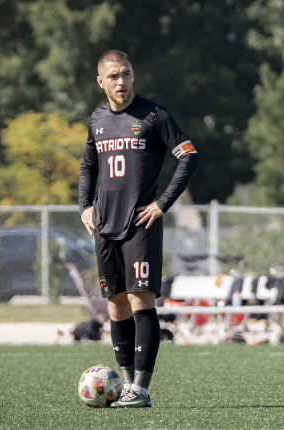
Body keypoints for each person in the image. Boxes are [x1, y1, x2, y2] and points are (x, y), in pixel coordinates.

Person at [78, 50, 200, 408]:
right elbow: (89, 164)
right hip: (104, 226)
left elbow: (189, 154)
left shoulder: (154, 115)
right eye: (114, 76)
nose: (122, 82)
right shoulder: (98, 119)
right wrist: (84, 205)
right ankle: (126, 385)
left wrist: (162, 204)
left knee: (140, 301)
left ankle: (142, 389)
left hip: (140, 225)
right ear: (101, 82)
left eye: (127, 74)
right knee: (116, 306)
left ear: (133, 75)